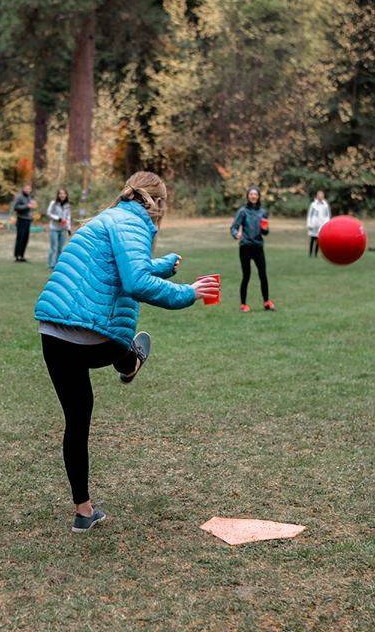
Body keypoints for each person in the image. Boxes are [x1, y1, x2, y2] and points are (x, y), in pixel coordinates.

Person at [34, 171, 219, 533]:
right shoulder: (135, 224)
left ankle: (84, 512)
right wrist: (188, 292)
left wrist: (163, 264)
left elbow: (122, 268)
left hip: (52, 330)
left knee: (77, 419)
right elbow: (135, 282)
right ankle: (131, 360)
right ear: (158, 203)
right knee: (119, 341)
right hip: (91, 335)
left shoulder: (108, 217)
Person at [230, 186, 274, 312]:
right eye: (251, 194)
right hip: (245, 247)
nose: (253, 196)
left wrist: (265, 229)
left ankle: (267, 302)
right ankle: (243, 304)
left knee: (263, 275)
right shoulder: (243, 211)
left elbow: (265, 232)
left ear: (259, 196)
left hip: (258, 247)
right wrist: (235, 234)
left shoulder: (263, 212)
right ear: (248, 196)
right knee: (246, 275)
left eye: (255, 194)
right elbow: (234, 227)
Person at [47, 188, 72, 269]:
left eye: (64, 193)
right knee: (53, 247)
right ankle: (51, 264)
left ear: (66, 195)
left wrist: (68, 228)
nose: (62, 195)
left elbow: (68, 217)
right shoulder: (53, 203)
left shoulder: (67, 205)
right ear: (58, 195)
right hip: (54, 228)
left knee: (60, 248)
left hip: (63, 229)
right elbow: (49, 213)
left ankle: (57, 265)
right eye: (60, 193)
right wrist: (58, 218)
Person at [11, 183, 36, 262]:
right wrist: (27, 206)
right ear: (23, 188)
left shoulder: (29, 197)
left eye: (29, 189)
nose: (28, 190)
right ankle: (17, 256)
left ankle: (22, 255)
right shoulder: (19, 197)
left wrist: (32, 213)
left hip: (27, 220)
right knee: (20, 238)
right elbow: (15, 207)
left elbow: (29, 208)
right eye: (26, 188)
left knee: (25, 238)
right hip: (21, 219)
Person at [306, 190, 331, 257]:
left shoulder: (325, 205)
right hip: (314, 225)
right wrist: (309, 224)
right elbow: (309, 215)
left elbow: (327, 215)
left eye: (322, 196)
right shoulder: (313, 205)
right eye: (319, 195)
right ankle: (310, 254)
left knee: (318, 240)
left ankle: (316, 254)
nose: (320, 197)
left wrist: (327, 224)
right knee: (312, 239)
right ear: (317, 196)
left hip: (322, 225)